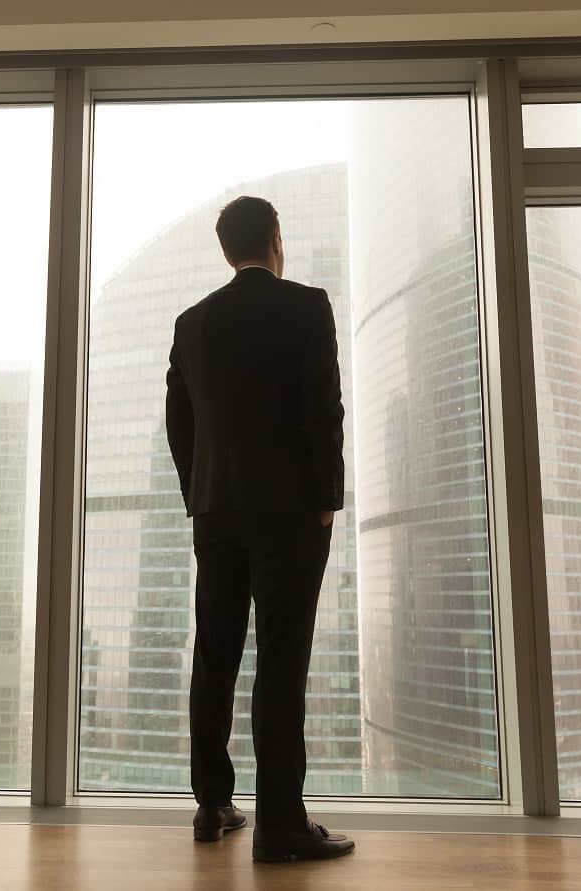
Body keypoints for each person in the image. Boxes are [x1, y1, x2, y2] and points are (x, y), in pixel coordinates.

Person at [164, 195, 354, 863]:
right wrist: (327, 499)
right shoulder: (307, 307)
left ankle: (213, 803)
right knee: (280, 660)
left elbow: (179, 423)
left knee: (215, 655)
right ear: (276, 238)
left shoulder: (193, 324)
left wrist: (200, 495)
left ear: (227, 249)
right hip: (290, 515)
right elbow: (322, 409)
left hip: (216, 513)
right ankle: (280, 823)